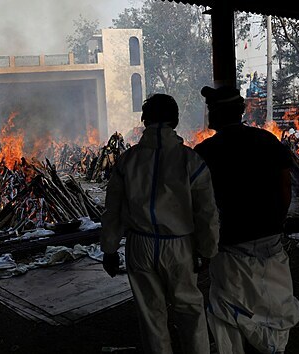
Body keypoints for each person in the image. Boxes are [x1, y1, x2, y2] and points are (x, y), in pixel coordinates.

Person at [100, 93, 220, 354]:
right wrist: (207, 250)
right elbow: (207, 212)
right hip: (180, 246)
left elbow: (113, 211)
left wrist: (109, 249)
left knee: (151, 317)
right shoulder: (191, 161)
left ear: (144, 120)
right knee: (190, 312)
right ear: (175, 121)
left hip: (139, 246)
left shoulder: (127, 161)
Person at [194, 85, 299, 354]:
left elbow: (199, 204)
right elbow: (285, 188)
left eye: (210, 109)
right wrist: (277, 222)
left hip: (229, 246)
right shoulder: (267, 141)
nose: (208, 115)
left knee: (229, 310)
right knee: (273, 305)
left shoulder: (205, 152)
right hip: (270, 239)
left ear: (217, 114)